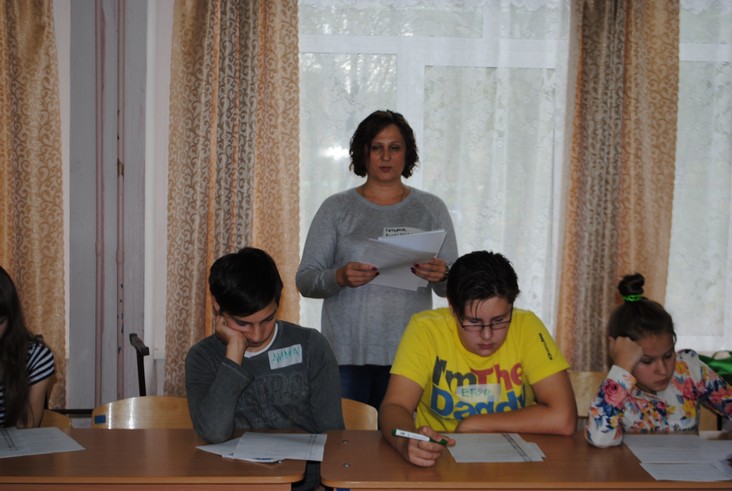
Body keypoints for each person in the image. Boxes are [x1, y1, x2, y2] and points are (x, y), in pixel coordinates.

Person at [296, 109, 459, 411]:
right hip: (346, 354)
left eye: (394, 147)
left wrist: (443, 274)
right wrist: (339, 277)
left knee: (400, 436)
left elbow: (453, 288)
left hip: (410, 353)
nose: (386, 157)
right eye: (376, 147)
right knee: (347, 437)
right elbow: (305, 280)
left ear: (407, 154)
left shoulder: (431, 208)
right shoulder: (336, 208)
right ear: (363, 153)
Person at [380, 251, 577, 467]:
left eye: (499, 320)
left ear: (511, 308)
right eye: (474, 322)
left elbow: (564, 418)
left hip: (517, 465)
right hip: (440, 461)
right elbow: (395, 405)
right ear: (453, 309)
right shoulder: (425, 329)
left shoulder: (527, 326)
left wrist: (477, 424)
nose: (487, 335)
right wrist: (405, 443)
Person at [185, 247, 343, 491]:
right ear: (217, 305)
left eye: (268, 319)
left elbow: (333, 436)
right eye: (243, 323)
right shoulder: (203, 357)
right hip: (233, 484)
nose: (257, 335)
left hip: (304, 485)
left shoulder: (311, 347)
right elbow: (213, 432)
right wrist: (234, 354)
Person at [586, 273, 732, 448]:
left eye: (668, 355)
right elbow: (600, 439)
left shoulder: (689, 370)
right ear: (621, 354)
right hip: (632, 466)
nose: (663, 370)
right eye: (647, 361)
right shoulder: (618, 389)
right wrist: (622, 368)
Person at [0, 266, 55, 428]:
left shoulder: (35, 357)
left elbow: (26, 427)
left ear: (11, 319)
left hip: (14, 443)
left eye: (0, 322)